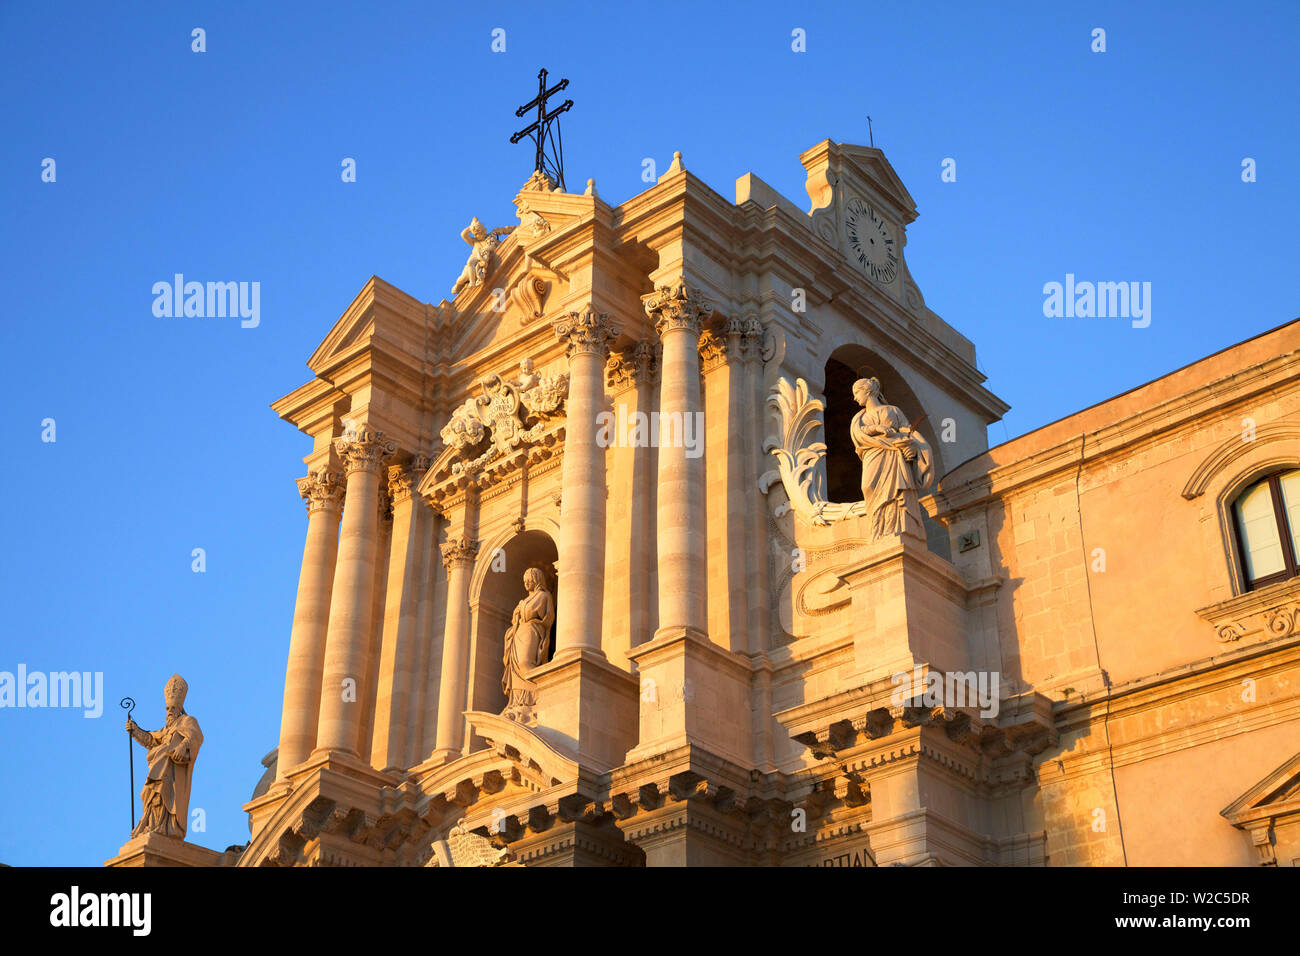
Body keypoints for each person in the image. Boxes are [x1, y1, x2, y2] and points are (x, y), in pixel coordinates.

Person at [849, 377, 934, 539]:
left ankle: (897, 530)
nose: (854, 397)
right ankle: (878, 530)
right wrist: (876, 428)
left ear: (867, 391)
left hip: (895, 456)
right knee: (868, 487)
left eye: (856, 392)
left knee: (897, 492)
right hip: (872, 454)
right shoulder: (858, 419)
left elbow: (908, 433)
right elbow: (859, 437)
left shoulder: (893, 410)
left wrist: (913, 448)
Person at [126, 673, 203, 839]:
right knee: (152, 791)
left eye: (173, 708)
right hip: (161, 771)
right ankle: (151, 823)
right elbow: (150, 739)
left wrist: (183, 746)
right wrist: (134, 730)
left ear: (180, 709)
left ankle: (163, 826)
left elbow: (195, 736)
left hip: (174, 774)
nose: (169, 711)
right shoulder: (165, 730)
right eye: (168, 708)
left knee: (161, 754)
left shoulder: (187, 722)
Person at [501, 568, 555, 721]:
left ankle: (536, 695)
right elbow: (516, 619)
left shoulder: (544, 596)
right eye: (525, 581)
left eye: (529, 580)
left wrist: (525, 613)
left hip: (533, 630)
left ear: (537, 580)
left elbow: (548, 617)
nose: (526, 583)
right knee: (516, 666)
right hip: (519, 632)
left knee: (525, 662)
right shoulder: (524, 601)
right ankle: (519, 700)